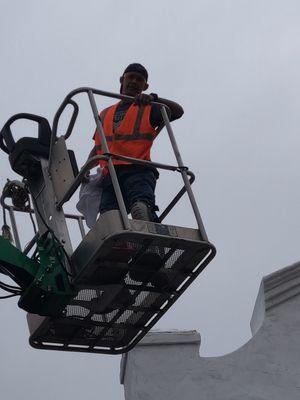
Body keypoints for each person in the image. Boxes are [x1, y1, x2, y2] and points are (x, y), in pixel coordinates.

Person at [91, 63, 184, 222]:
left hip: (137, 170)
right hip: (111, 174)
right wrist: (86, 168)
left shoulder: (148, 107)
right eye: (131, 77)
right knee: (108, 219)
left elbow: (177, 111)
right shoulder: (104, 113)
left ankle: (148, 229)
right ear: (122, 79)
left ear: (145, 86)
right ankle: (120, 245)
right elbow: (98, 146)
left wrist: (154, 98)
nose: (134, 81)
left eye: (139, 79)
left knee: (141, 209)